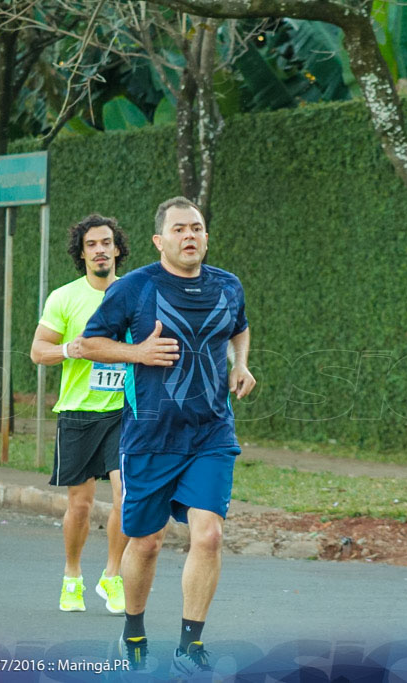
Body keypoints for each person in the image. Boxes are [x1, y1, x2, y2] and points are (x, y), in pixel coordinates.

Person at [79, 196, 255, 675]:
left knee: (210, 534)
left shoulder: (228, 284)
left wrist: (241, 364)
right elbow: (88, 343)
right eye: (179, 229)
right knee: (147, 541)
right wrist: (137, 353)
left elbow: (240, 327)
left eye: (196, 227)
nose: (190, 236)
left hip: (211, 430)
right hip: (150, 435)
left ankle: (189, 646)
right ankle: (133, 631)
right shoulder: (135, 288)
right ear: (160, 240)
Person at [30, 214, 130, 615]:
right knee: (82, 505)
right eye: (92, 244)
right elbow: (38, 351)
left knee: (128, 494)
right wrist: (71, 349)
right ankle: (72, 576)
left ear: (118, 248)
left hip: (125, 410)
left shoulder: (136, 292)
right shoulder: (64, 297)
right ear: (82, 252)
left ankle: (113, 574)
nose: (100, 249)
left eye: (107, 242)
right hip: (78, 412)